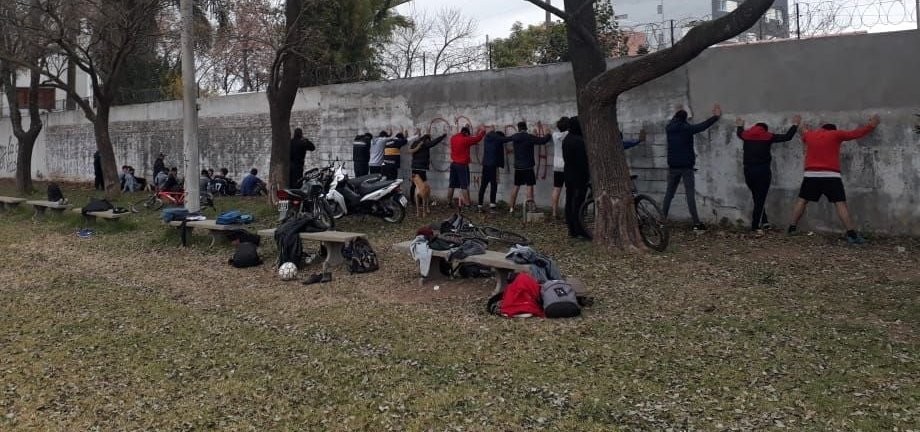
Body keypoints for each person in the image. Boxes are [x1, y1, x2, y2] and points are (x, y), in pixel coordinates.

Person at [787, 114, 880, 244]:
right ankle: (851, 234)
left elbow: (803, 133)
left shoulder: (810, 135)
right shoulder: (836, 134)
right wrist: (871, 126)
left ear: (822, 129)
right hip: (831, 175)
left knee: (802, 200)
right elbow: (855, 134)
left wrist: (799, 124)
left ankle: (791, 228)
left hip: (811, 174)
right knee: (840, 203)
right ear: (833, 129)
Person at [736, 114, 801, 235]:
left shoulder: (745, 135)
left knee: (757, 196)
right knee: (760, 198)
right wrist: (795, 124)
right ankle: (755, 226)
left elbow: (739, 132)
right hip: (762, 171)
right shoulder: (768, 136)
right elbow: (787, 137)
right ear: (765, 129)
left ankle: (764, 222)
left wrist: (739, 125)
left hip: (748, 171)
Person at [661, 104, 722, 232]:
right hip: (686, 167)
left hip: (673, 166)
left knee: (669, 194)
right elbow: (702, 126)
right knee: (689, 195)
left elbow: (675, 120)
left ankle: (662, 221)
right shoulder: (686, 129)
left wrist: (677, 113)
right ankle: (696, 223)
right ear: (685, 119)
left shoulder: (669, 128)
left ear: (675, 117)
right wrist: (715, 117)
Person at [509, 121, 552, 213]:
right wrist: (548, 134)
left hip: (518, 167)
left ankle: (511, 208)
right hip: (528, 166)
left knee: (516, 186)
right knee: (529, 186)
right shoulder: (529, 137)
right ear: (526, 128)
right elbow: (542, 141)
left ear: (518, 128)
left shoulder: (515, 137)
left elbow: (507, 139)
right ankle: (530, 208)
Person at [562, 117, 590, 238]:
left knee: (570, 202)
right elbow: (583, 161)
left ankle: (572, 228)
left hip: (568, 175)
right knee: (578, 203)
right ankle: (579, 229)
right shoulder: (579, 141)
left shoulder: (566, 139)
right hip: (579, 177)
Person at [448, 126, 486, 207]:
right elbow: (477, 139)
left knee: (451, 185)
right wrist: (483, 132)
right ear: (466, 133)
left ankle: (448, 203)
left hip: (453, 164)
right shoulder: (465, 139)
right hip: (462, 165)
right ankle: (467, 204)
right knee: (464, 185)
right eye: (468, 135)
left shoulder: (453, 138)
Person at [479, 130, 512, 213]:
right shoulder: (497, 140)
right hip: (493, 166)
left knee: (483, 185)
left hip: (485, 165)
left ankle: (479, 206)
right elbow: (505, 140)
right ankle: (492, 207)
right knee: (494, 185)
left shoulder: (488, 139)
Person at [408, 132, 446, 201]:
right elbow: (434, 143)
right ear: (427, 140)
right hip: (421, 168)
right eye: (429, 140)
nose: (429, 141)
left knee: (414, 184)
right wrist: (442, 136)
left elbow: (411, 150)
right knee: (422, 184)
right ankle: (420, 200)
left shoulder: (415, 142)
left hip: (414, 167)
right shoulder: (425, 143)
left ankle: (412, 200)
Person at [550, 117, 570, 219]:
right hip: (567, 165)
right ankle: (567, 211)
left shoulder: (554, 135)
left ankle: (554, 212)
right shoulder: (569, 135)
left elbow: (553, 128)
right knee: (568, 189)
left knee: (556, 188)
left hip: (557, 165)